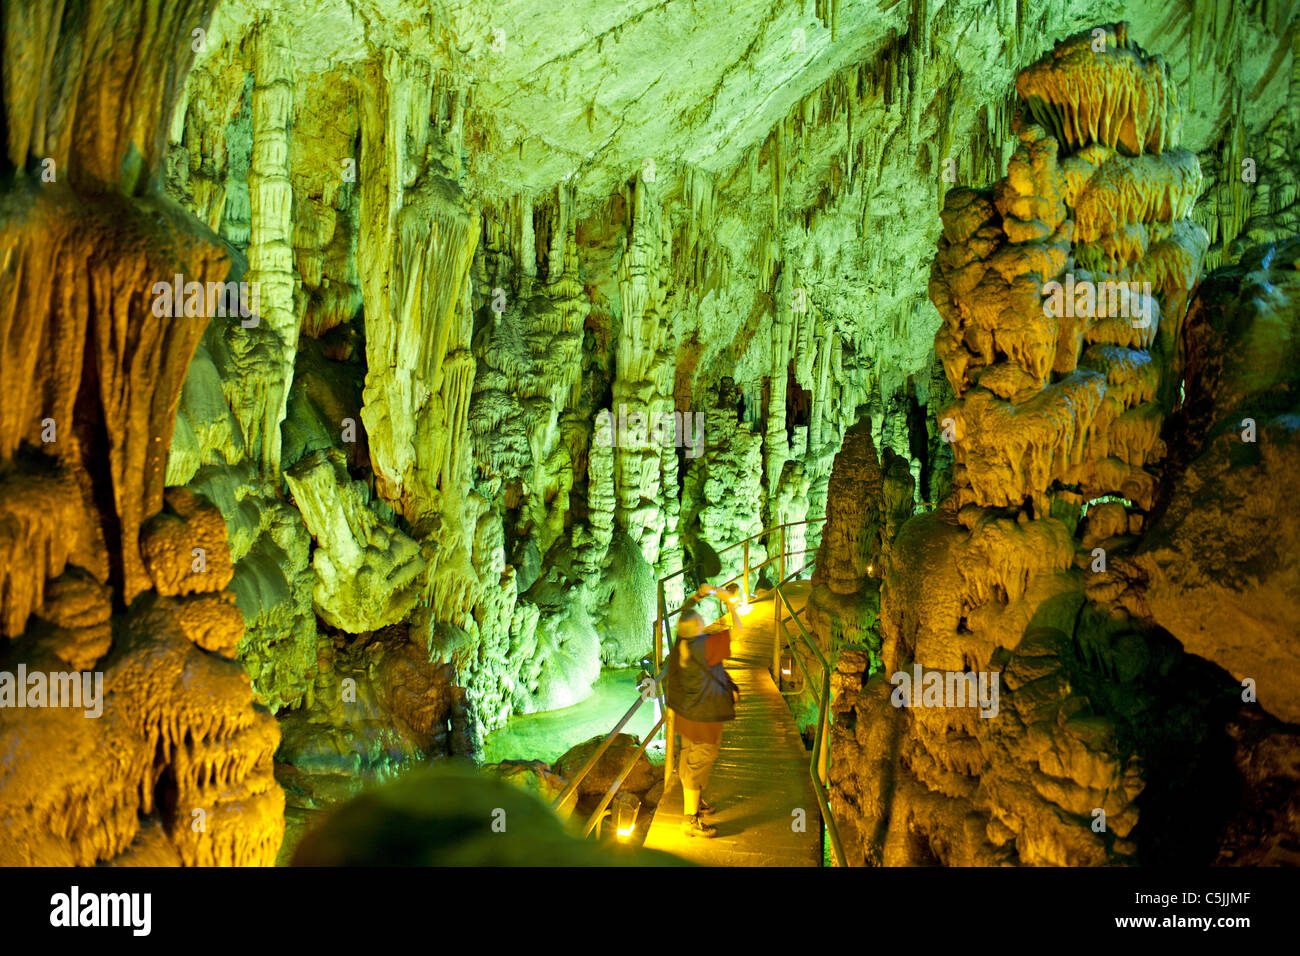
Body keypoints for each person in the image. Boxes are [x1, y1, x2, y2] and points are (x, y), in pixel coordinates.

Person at [666, 582, 743, 838]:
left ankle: (695, 803)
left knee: (689, 758)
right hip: (705, 716)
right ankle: (690, 820)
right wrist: (729, 602)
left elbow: (685, 614)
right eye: (701, 621)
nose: (704, 622)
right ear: (697, 628)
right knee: (699, 763)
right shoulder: (706, 645)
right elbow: (739, 630)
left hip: (687, 713)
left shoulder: (681, 644)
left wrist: (699, 595)